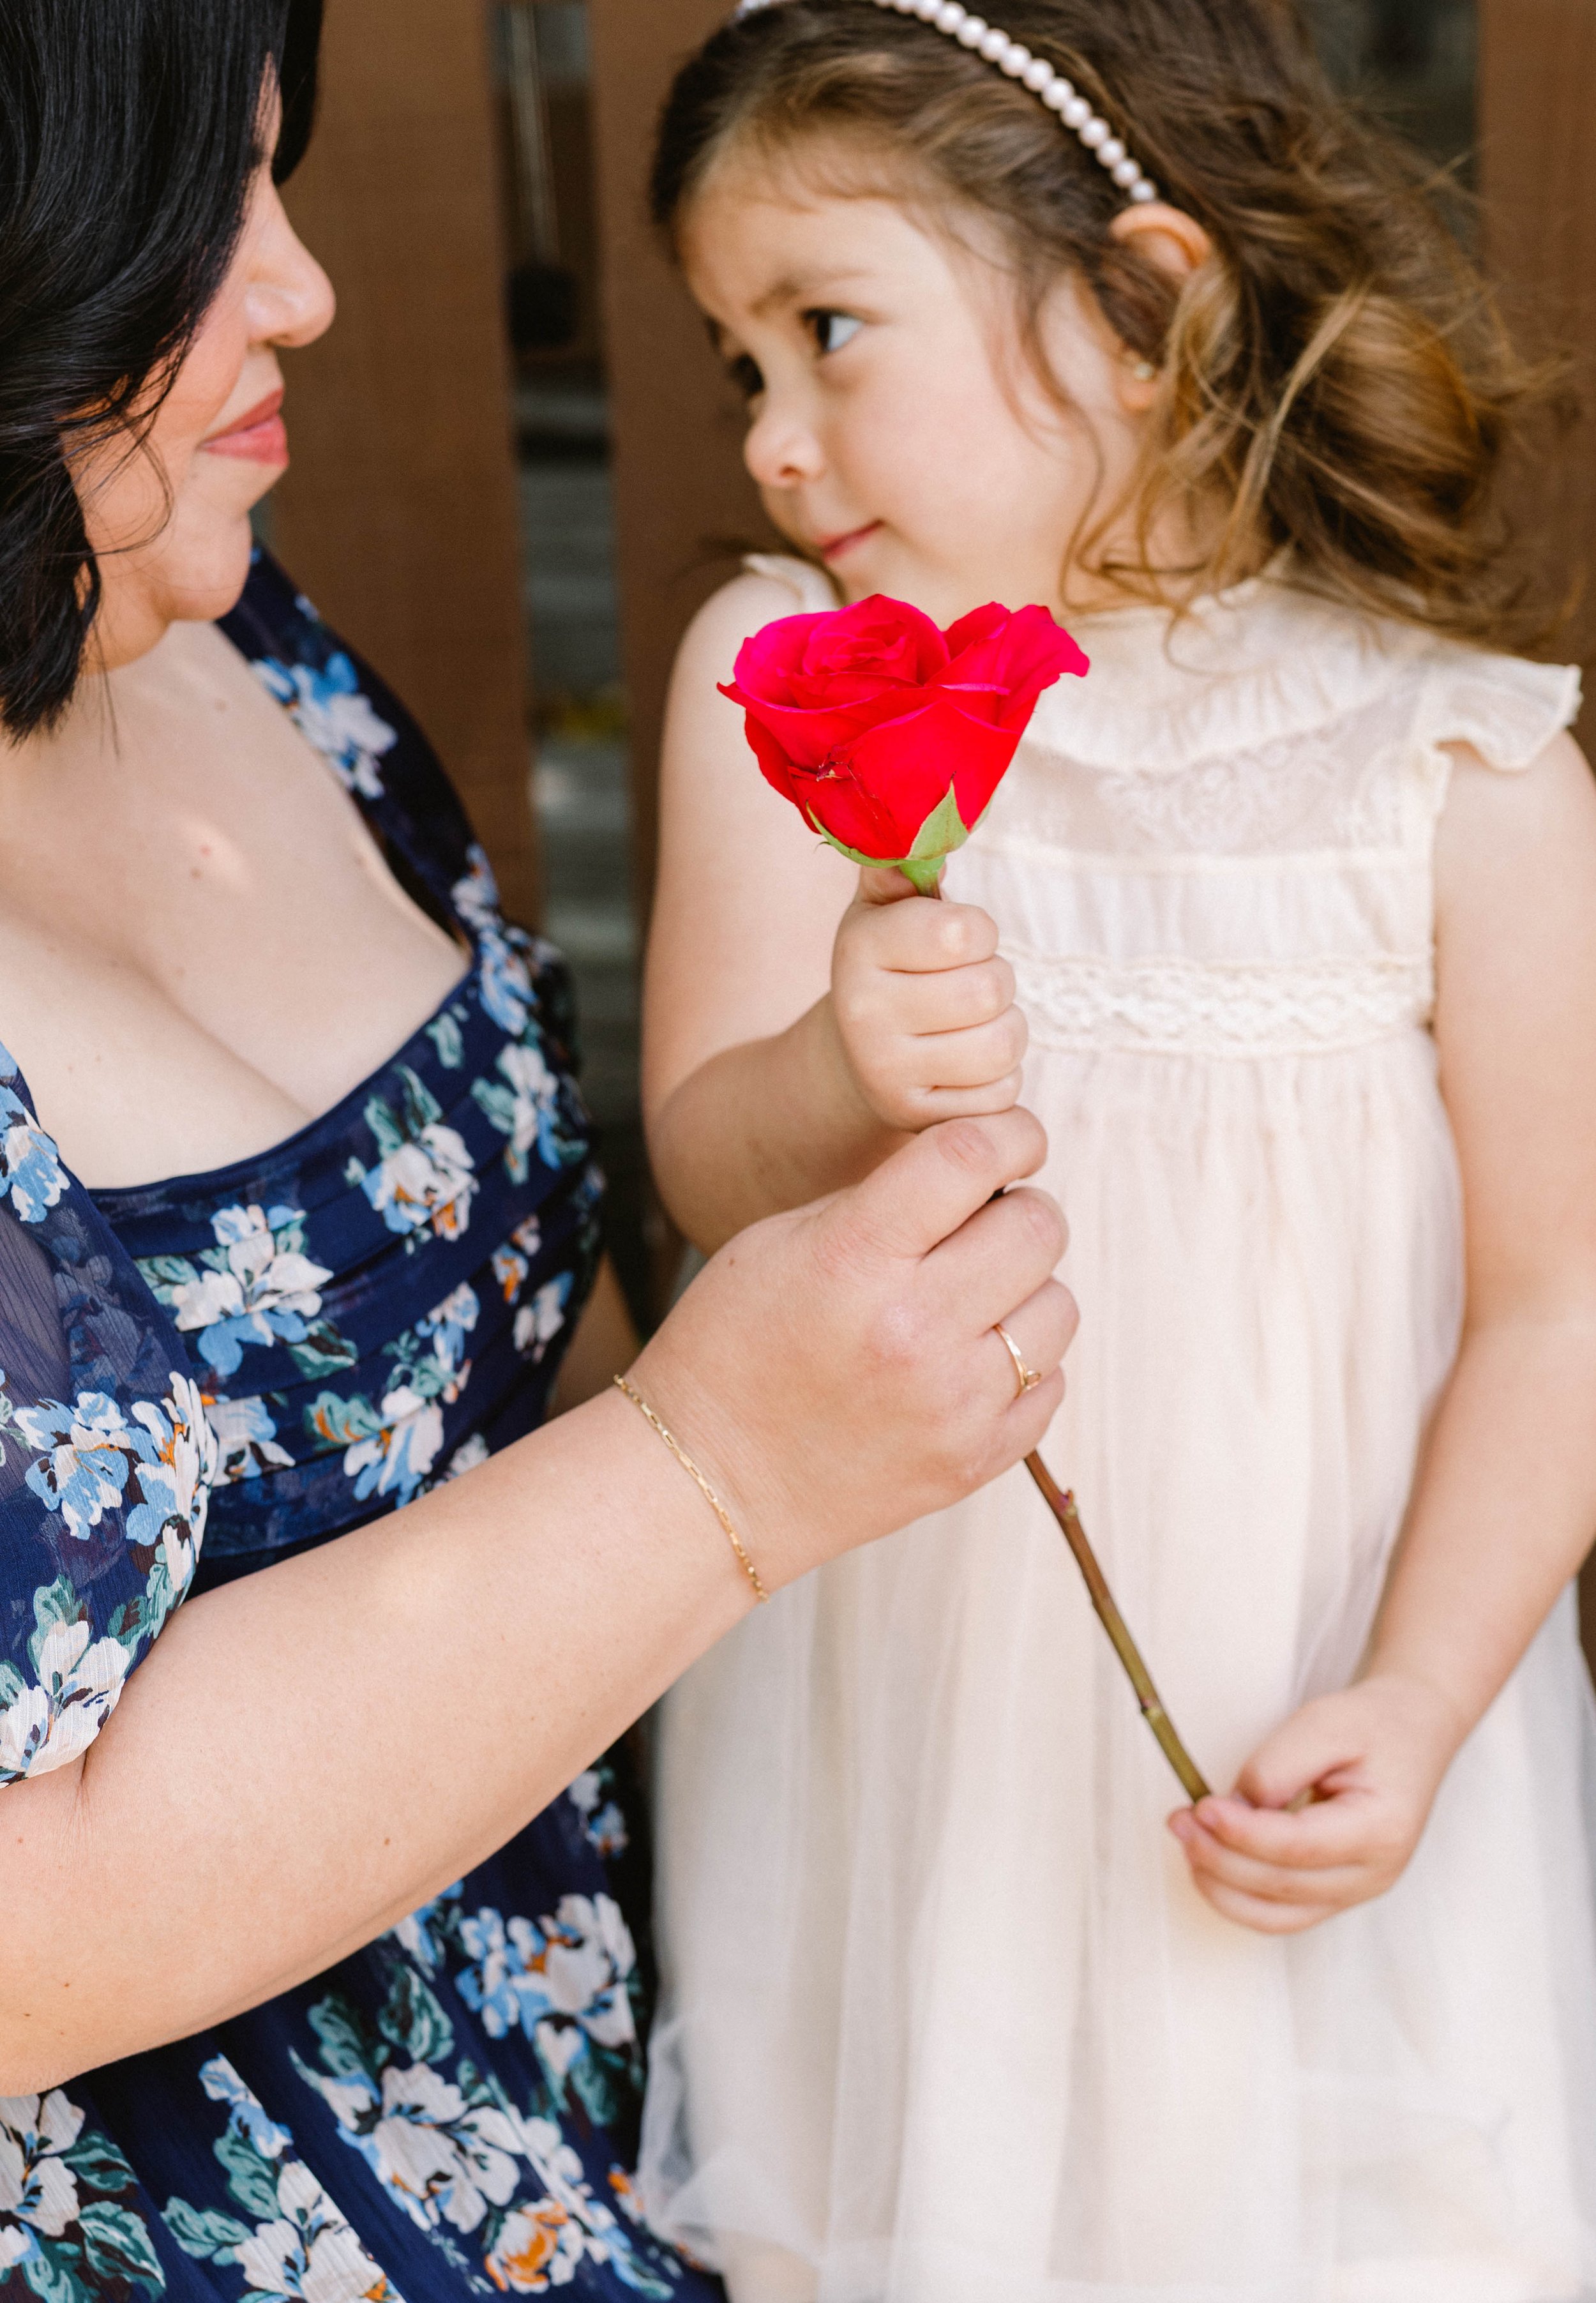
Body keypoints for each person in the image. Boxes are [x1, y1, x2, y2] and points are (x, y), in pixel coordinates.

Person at [0, 6, 1078, 2299]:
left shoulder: (224, 625)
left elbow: (525, 1274)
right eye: (205, 213)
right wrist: (717, 1469)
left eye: (284, 183)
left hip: (629, 2066)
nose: (296, 290)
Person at [636, 0, 1596, 2295]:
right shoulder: (780, 671)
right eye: (734, 364)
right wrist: (838, 1066)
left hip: (1310, 1681)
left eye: (828, 332)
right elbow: (706, 1162)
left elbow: (1560, 1300)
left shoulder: (1455, 770)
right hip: (916, 1702)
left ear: (1144, 307)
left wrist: (1421, 1697)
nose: (774, 441)